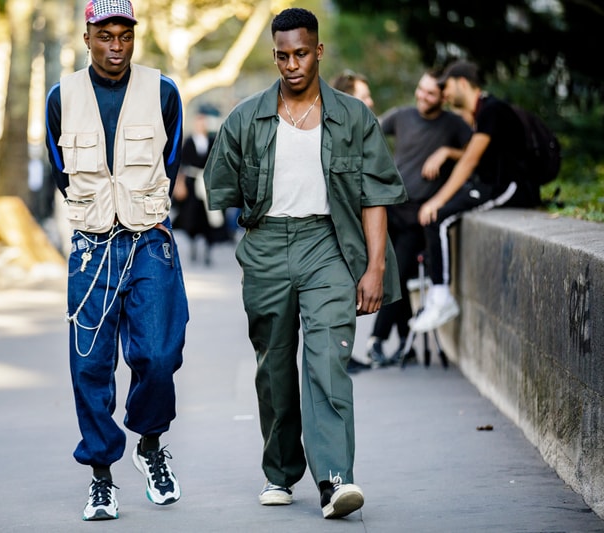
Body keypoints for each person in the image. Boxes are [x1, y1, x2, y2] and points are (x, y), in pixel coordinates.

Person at [204, 8, 407, 520]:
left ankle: (335, 480)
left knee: (328, 360)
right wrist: (255, 231)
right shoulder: (246, 117)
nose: (291, 64)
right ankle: (280, 471)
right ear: (273, 55)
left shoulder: (353, 116)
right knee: (273, 366)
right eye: (282, 56)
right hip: (268, 245)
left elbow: (374, 196)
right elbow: (221, 187)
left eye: (300, 53)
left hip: (329, 244)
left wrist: (375, 267)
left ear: (318, 51)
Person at [44, 0, 188, 521]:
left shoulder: (164, 91)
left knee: (159, 354)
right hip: (92, 249)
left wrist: (137, 208)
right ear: (87, 38)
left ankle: (150, 444)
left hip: (150, 240)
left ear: (134, 37)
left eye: (125, 36)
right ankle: (101, 475)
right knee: (90, 364)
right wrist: (98, 213)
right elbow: (61, 169)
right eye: (105, 36)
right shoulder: (61, 96)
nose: (116, 47)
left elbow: (170, 162)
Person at [357, 69, 473, 368]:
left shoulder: (453, 125)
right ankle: (404, 339)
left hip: (417, 216)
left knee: (395, 272)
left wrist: (447, 152)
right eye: (420, 89)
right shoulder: (402, 116)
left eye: (431, 93)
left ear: (443, 98)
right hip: (389, 208)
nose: (423, 96)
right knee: (390, 272)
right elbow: (366, 133)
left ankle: (377, 340)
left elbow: (476, 154)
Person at [412, 60, 529, 332]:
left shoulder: (492, 110)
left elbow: (469, 162)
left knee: (438, 215)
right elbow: (470, 154)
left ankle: (442, 298)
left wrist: (437, 200)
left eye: (448, 87)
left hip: (508, 189)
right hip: (488, 185)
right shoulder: (481, 113)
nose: (445, 95)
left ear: (462, 82)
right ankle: (437, 296)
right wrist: (447, 153)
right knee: (435, 219)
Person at [172, 104, 229, 265]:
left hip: (207, 184)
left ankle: (208, 251)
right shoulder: (189, 141)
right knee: (191, 217)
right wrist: (180, 185)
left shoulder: (212, 140)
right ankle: (193, 247)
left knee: (209, 219)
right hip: (192, 184)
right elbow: (181, 164)